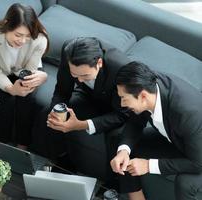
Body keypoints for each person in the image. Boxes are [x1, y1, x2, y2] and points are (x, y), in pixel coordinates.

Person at [38, 37, 130, 177]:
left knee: (115, 140)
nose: (79, 80)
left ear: (99, 63)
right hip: (88, 96)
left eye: (85, 75)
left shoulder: (122, 68)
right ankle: (59, 163)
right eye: (75, 75)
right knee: (49, 116)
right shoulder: (69, 50)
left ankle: (110, 188)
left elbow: (122, 114)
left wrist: (81, 125)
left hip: (117, 108)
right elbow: (62, 91)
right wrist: (56, 111)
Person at [110, 61, 202, 200]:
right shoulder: (147, 86)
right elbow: (135, 123)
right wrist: (124, 151)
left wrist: (148, 165)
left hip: (198, 154)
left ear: (143, 96)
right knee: (122, 143)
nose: (122, 104)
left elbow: (198, 163)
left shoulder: (187, 113)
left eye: (124, 98)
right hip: (177, 138)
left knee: (185, 183)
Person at [0, 3, 49, 149]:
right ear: (6, 25)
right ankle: (2, 144)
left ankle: (23, 145)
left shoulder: (40, 39)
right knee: (3, 99)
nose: (22, 41)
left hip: (25, 68)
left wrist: (26, 83)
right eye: (18, 35)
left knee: (28, 98)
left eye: (27, 36)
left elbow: (30, 68)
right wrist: (11, 88)